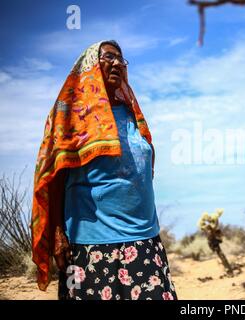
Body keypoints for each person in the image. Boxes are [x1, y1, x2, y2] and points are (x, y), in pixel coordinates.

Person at [31, 40, 177, 300]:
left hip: (144, 240)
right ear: (90, 64)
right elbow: (53, 175)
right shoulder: (71, 115)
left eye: (122, 60)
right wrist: (56, 232)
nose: (118, 63)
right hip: (91, 246)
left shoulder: (132, 115)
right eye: (109, 57)